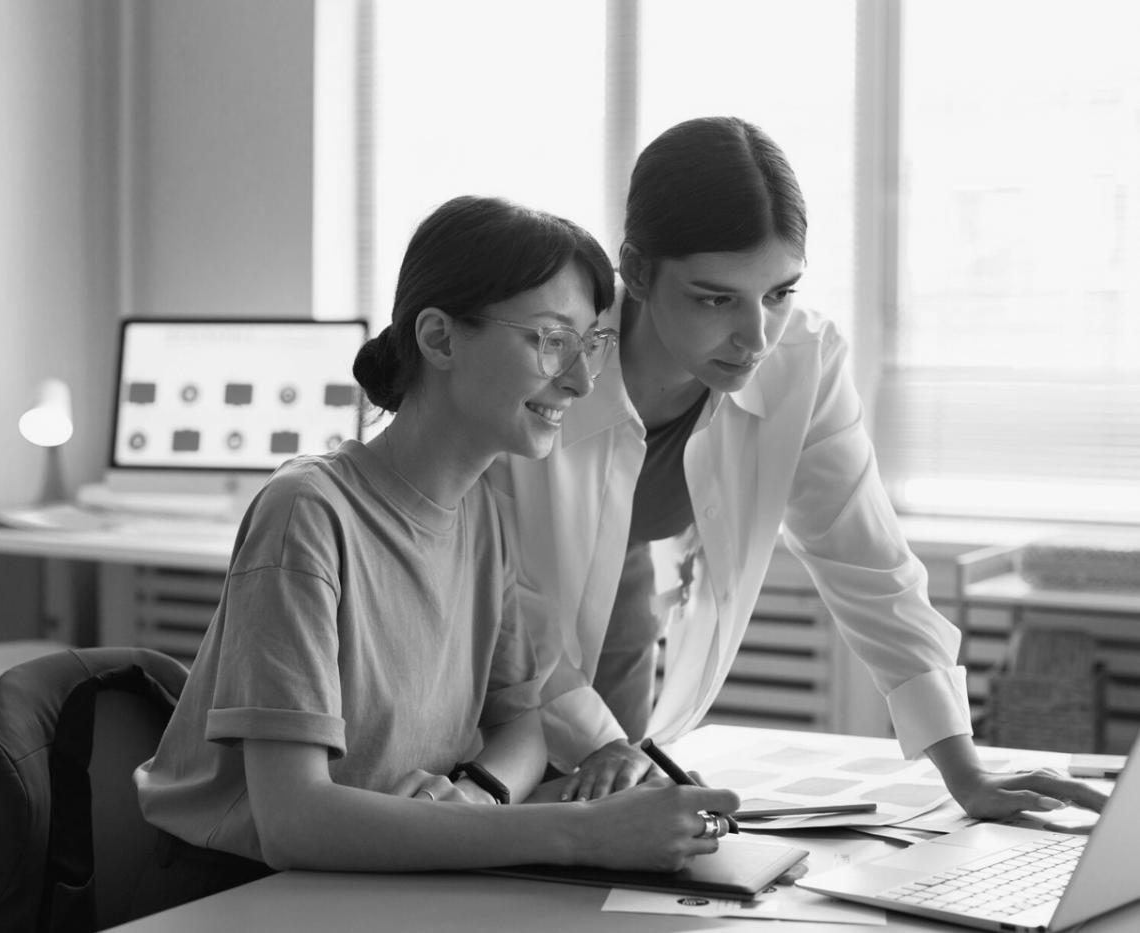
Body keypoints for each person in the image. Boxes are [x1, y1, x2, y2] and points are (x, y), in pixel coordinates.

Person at [129, 195, 741, 919]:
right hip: (243, 896)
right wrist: (578, 832)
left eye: (588, 345)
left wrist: (479, 793)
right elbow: (293, 821)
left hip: (390, 880)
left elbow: (522, 719)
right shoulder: (308, 513)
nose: (578, 381)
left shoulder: (486, 511)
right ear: (440, 339)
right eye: (550, 341)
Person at [487, 116, 1107, 816]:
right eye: (714, 298)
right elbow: (508, 603)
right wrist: (599, 741)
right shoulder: (544, 367)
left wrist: (965, 771)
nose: (754, 338)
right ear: (634, 269)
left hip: (619, 623)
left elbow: (869, 564)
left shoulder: (800, 362)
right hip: (489, 665)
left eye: (779, 293)